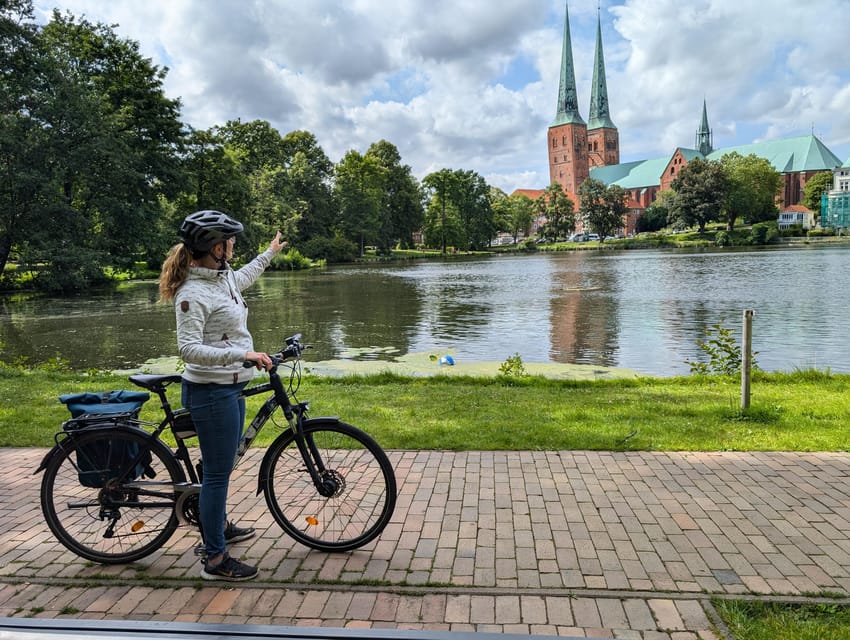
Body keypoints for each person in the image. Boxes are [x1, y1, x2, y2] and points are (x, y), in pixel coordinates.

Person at [159, 210, 286, 581]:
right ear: (217, 247)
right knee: (217, 476)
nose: (234, 247)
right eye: (231, 242)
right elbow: (188, 349)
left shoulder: (220, 277)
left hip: (232, 385)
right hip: (211, 391)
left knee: (222, 466)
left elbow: (243, 277)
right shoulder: (192, 293)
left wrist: (270, 252)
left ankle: (218, 526)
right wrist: (242, 354)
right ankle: (214, 559)